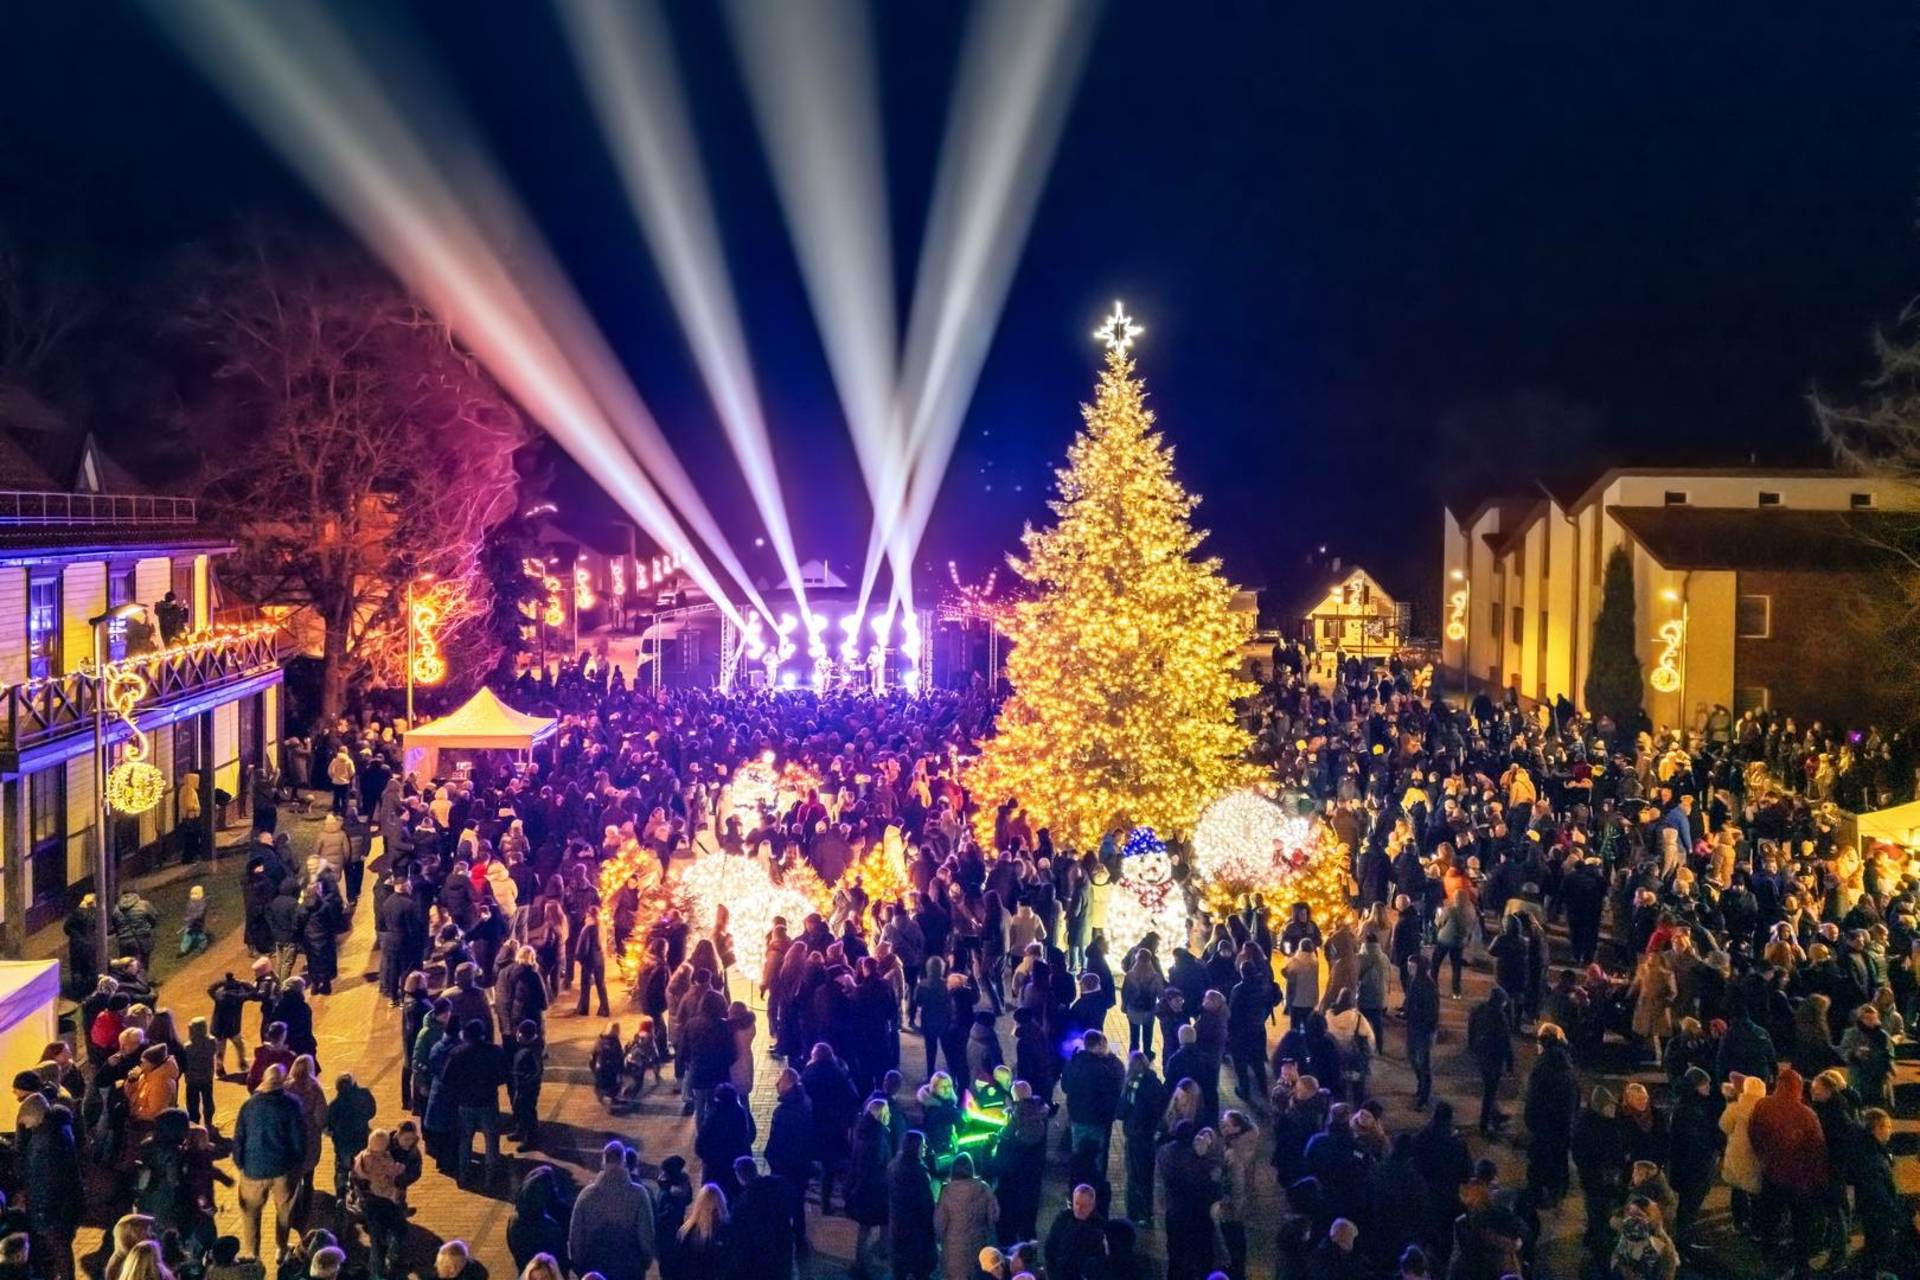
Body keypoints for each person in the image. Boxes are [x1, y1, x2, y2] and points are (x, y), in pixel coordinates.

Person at [232, 1064, 307, 1264]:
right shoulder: (291, 1104)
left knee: (250, 1214)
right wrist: (298, 1162)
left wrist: (240, 1162)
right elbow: (298, 1138)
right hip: (282, 1169)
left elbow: (239, 1137)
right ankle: (281, 1248)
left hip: (253, 1169)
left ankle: (252, 1254)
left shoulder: (249, 1105)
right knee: (284, 1211)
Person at [570, 1142, 656, 1280]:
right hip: (630, 1270)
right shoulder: (639, 1194)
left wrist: (579, 1266)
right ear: (624, 1161)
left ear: (603, 1161)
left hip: (594, 1268)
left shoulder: (586, 1196)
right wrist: (645, 1262)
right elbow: (645, 1235)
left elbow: (576, 1237)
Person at [932, 1152, 998, 1280]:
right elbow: (994, 1216)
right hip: (978, 1247)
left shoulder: (947, 1191)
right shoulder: (984, 1188)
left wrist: (940, 1240)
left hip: (954, 1252)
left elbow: (939, 1223)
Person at [887, 1131, 937, 1280]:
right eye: (923, 1145)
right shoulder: (918, 1172)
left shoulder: (895, 1166)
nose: (925, 1147)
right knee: (920, 1268)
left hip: (898, 1224)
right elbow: (925, 1203)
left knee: (901, 1266)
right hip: (916, 1228)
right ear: (915, 1147)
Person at [1467, 987, 1515, 1134]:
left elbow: (1471, 1028)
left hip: (1481, 1054)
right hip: (1494, 1057)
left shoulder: (1480, 1010)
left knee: (1489, 1087)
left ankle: (1495, 1115)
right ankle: (1485, 1122)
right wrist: (1510, 1063)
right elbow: (1506, 1041)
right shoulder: (1499, 1016)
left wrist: (1472, 1046)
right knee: (1490, 1090)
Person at [1045, 1184, 1109, 1280]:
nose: (1079, 1209)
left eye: (1083, 1206)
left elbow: (1100, 1260)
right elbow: (1050, 1247)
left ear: (1092, 1206)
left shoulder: (1099, 1227)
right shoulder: (1062, 1219)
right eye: (1077, 1204)